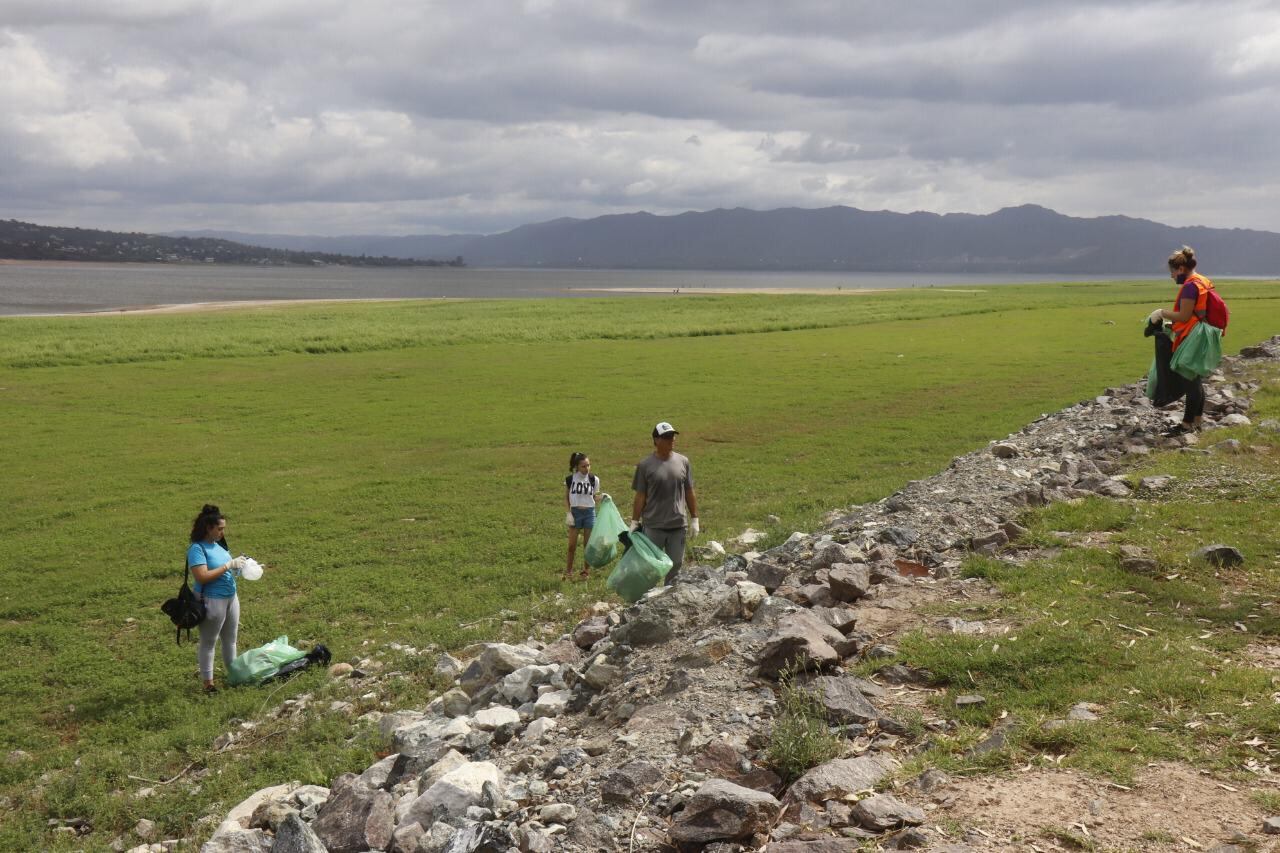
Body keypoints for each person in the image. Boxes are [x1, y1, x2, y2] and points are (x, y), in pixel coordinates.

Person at [1148, 245, 1213, 435]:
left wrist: (1161, 313)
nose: (1172, 276)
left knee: (1189, 381)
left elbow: (1184, 316)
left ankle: (1186, 425)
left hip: (1192, 337)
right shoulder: (1203, 280)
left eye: (1173, 272)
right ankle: (1198, 421)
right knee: (1196, 379)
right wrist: (1171, 324)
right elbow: (1196, 313)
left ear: (1181, 269)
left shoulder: (1190, 286)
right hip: (1203, 333)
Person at [187, 504, 246, 693]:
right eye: (219, 529)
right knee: (209, 641)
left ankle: (234, 674)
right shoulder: (197, 549)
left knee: (230, 640)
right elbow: (202, 576)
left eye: (223, 529)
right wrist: (229, 565)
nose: (222, 532)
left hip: (230, 597)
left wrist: (240, 567)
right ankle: (208, 683)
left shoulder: (219, 545)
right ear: (208, 528)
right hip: (212, 599)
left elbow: (225, 568)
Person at [631, 421, 699, 585]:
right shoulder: (645, 465)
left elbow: (689, 491)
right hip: (654, 525)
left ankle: (668, 598)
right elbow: (640, 495)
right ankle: (647, 600)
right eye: (667, 437)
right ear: (656, 440)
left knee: (676, 564)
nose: (671, 440)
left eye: (672, 436)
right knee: (651, 566)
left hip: (677, 524)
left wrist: (695, 518)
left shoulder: (683, 461)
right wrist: (634, 521)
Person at [564, 452, 602, 580]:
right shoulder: (570, 480)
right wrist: (569, 513)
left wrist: (603, 497)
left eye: (588, 465)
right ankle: (568, 571)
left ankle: (586, 571)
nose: (587, 469)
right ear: (577, 467)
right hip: (575, 513)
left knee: (588, 544)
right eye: (583, 466)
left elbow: (594, 497)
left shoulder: (594, 479)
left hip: (589, 513)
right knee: (571, 545)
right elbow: (566, 497)